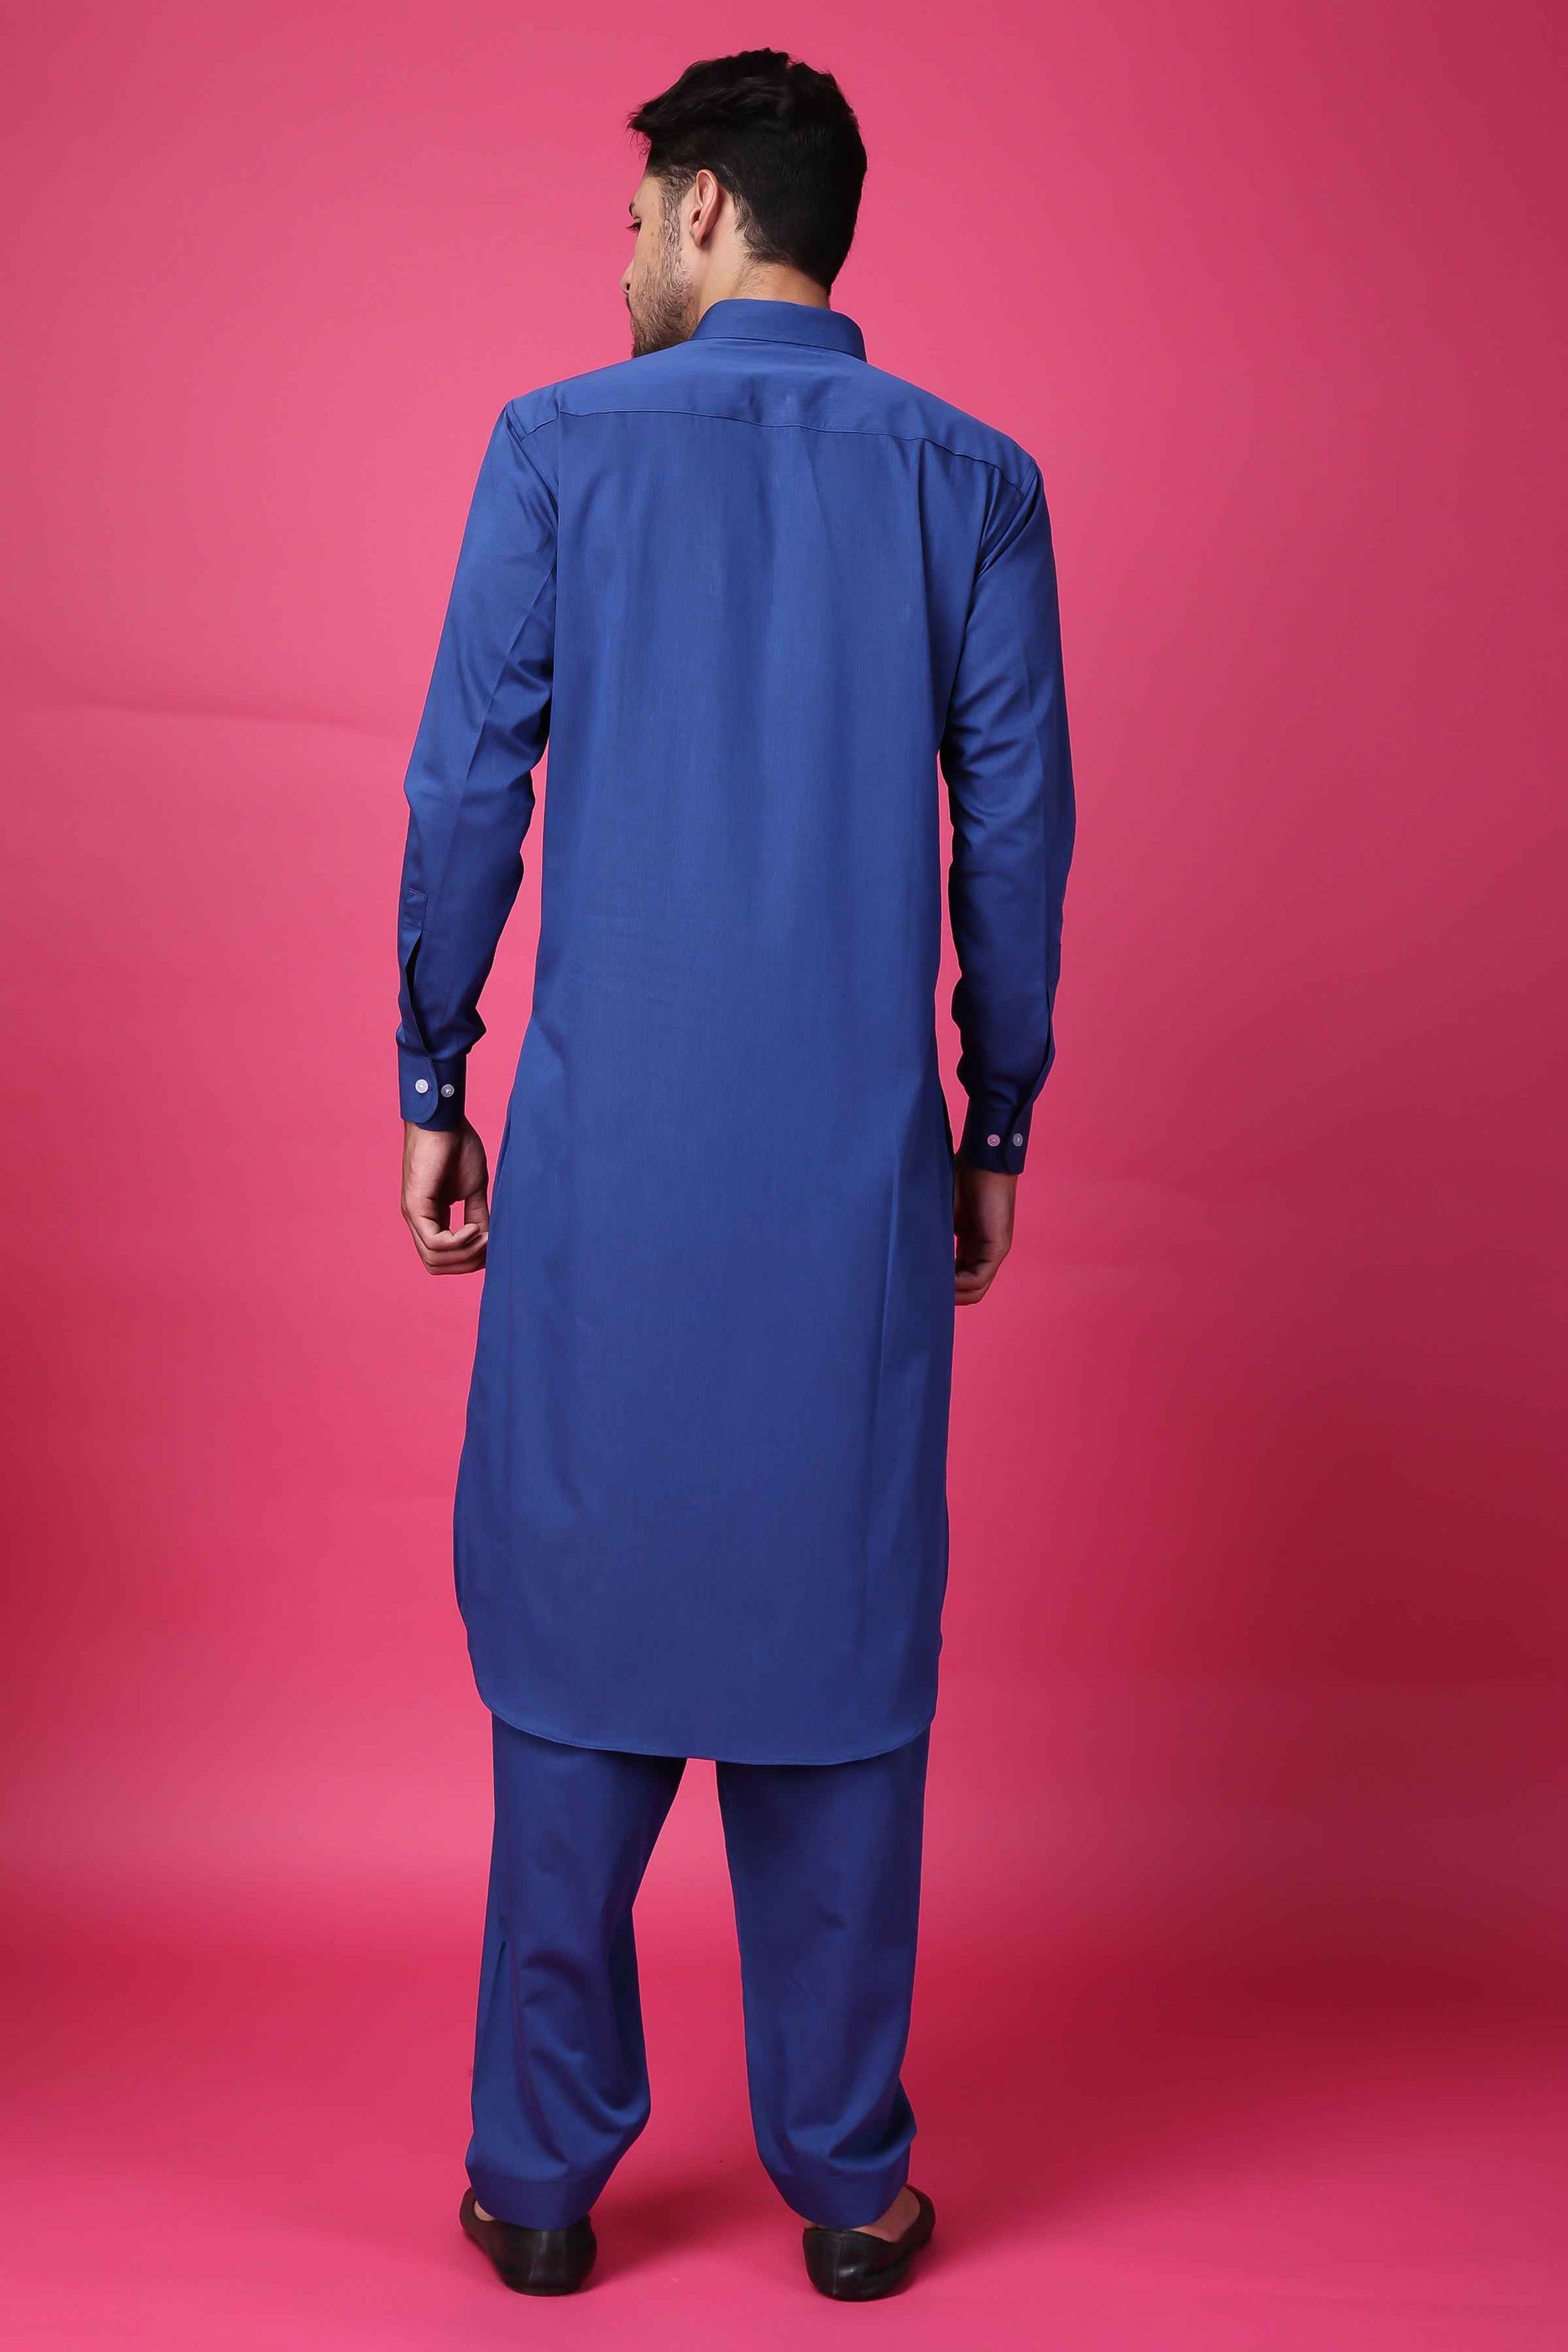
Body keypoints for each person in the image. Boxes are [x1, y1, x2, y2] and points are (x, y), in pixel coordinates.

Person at [394, 48, 1075, 2302]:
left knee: (575, 1652)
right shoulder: (971, 482)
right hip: (851, 1198)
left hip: (605, 1186)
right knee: (838, 1659)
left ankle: (538, 2178)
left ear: (701, 206)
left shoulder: (555, 450)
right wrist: (994, 1117)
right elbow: (1019, 835)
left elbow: (466, 788)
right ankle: (850, 2183)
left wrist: (430, 1068)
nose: (616, 262)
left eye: (629, 221)